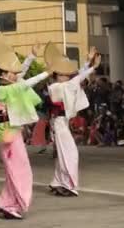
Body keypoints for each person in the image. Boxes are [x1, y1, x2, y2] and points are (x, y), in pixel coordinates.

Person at [0, 39, 50, 219]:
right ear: (3, 75)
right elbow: (24, 83)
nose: (15, 75)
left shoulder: (8, 87)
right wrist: (47, 72)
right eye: (11, 73)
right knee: (19, 170)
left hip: (13, 132)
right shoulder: (1, 90)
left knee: (14, 171)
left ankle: (7, 202)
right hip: (7, 134)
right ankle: (12, 204)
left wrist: (32, 55)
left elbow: (20, 76)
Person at [44, 43, 100, 197]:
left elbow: (76, 79)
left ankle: (58, 181)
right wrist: (91, 66)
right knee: (70, 154)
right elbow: (76, 80)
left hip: (60, 123)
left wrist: (88, 64)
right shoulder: (55, 87)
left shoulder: (61, 85)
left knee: (63, 154)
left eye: (67, 75)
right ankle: (68, 184)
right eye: (62, 74)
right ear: (55, 75)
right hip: (59, 123)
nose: (66, 77)